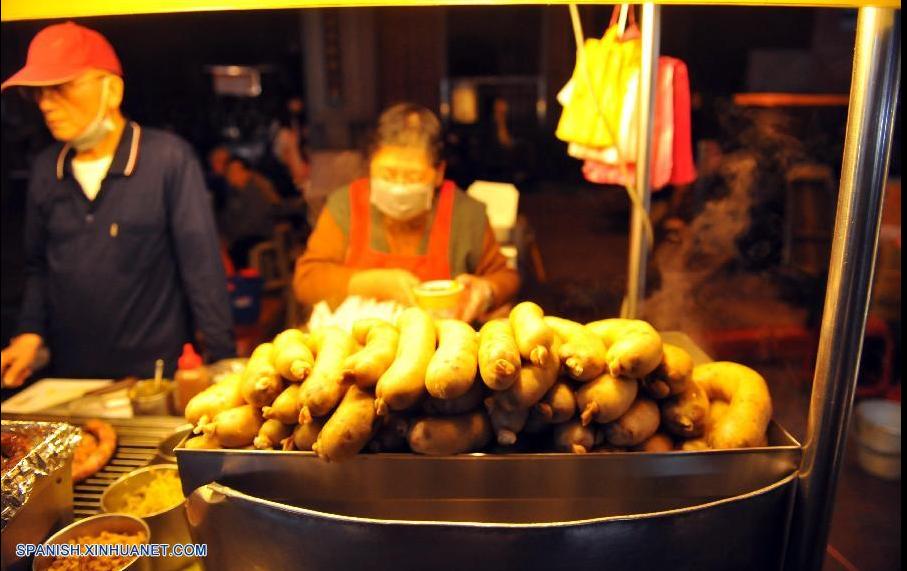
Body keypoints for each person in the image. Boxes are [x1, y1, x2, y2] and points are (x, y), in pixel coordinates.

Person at [0, 22, 235, 387]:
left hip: (155, 379)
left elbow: (201, 266)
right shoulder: (47, 170)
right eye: (39, 92)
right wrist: (29, 332)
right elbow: (38, 268)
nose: (46, 103)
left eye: (61, 87)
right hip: (71, 382)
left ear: (112, 90)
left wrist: (222, 360)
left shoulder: (166, 159)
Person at [294, 103, 520, 323]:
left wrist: (486, 291)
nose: (399, 187)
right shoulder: (346, 206)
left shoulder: (466, 214)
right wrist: (373, 283)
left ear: (439, 173)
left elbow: (506, 277)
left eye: (413, 177)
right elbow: (306, 281)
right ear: (371, 165)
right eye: (388, 174)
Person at [219, 156, 282, 269]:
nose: (231, 175)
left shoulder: (255, 192)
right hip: (240, 238)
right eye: (229, 171)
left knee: (239, 249)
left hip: (258, 236)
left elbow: (253, 222)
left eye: (235, 171)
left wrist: (232, 237)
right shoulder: (232, 196)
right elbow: (225, 221)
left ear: (246, 172)